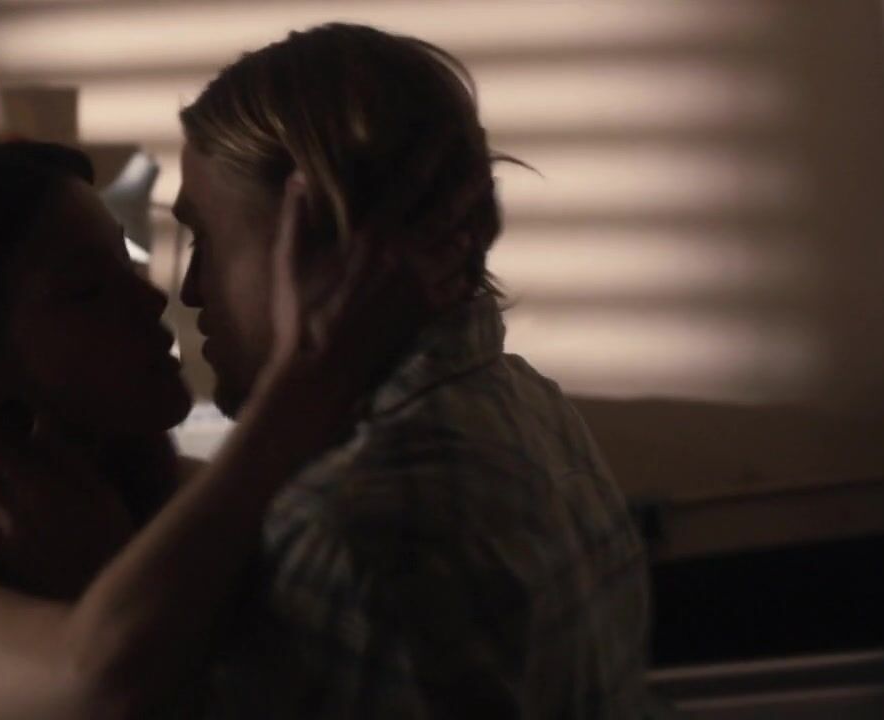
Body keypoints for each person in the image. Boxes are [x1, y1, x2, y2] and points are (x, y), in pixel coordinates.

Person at [0, 141, 400, 719]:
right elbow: (96, 688)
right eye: (86, 291)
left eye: (127, 263)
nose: (151, 299)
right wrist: (300, 391)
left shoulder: (195, 499)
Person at [172, 24, 651, 718]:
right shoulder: (530, 404)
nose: (190, 290)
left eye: (205, 239)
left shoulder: (349, 527)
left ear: (323, 240)